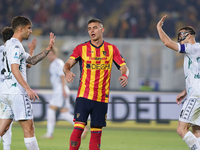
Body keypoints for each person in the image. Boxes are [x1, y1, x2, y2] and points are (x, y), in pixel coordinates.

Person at [63, 18, 129, 150]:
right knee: (78, 129)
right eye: (89, 29)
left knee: (96, 134)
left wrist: (124, 75)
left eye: (94, 28)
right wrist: (67, 71)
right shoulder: (81, 48)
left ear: (102, 30)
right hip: (84, 95)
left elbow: (123, 66)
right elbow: (67, 64)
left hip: (101, 98)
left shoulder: (111, 49)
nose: (91, 31)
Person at [0, 16, 56, 150]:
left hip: (5, 92)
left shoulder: (9, 45)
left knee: (2, 129)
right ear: (21, 29)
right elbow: (14, 68)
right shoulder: (15, 45)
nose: (31, 31)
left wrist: (48, 48)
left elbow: (31, 61)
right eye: (29, 28)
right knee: (29, 130)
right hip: (17, 93)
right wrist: (27, 88)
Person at [157, 15, 200, 150]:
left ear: (189, 36)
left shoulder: (192, 48)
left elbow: (168, 43)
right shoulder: (196, 51)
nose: (179, 38)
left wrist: (159, 28)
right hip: (195, 92)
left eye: (181, 35)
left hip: (196, 96)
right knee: (197, 131)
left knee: (181, 129)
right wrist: (185, 91)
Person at [0, 27, 38, 150]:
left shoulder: (2, 50)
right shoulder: (15, 47)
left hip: (3, 90)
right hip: (14, 90)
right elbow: (27, 65)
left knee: (4, 127)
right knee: (28, 129)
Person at [42, 47, 88, 139]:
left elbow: (62, 76)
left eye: (51, 54)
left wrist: (63, 89)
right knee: (64, 114)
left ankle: (49, 133)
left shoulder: (57, 63)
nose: (49, 57)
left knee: (51, 109)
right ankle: (82, 127)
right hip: (61, 90)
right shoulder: (55, 64)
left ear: (55, 54)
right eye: (48, 55)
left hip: (60, 90)